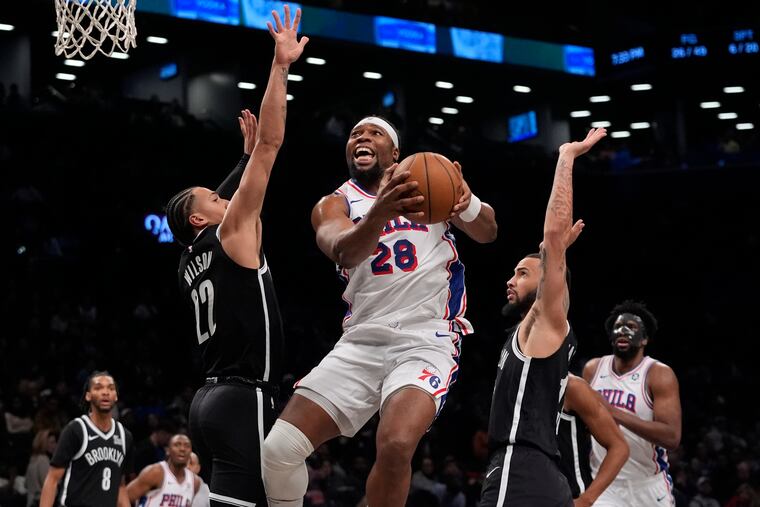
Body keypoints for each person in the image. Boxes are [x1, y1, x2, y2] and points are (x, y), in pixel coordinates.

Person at [261, 113, 498, 506]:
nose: (361, 138)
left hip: (425, 338)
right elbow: (343, 249)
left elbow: (488, 231)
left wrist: (467, 200)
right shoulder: (334, 203)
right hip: (361, 341)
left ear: (395, 153)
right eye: (355, 134)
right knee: (278, 451)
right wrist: (380, 212)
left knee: (397, 442)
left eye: (374, 133)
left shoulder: (429, 188)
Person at [164, 7, 308, 507]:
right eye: (215, 197)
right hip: (246, 396)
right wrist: (280, 64)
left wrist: (239, 164)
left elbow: (213, 206)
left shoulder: (189, 257)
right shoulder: (231, 233)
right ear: (204, 219)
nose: (226, 196)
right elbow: (271, 143)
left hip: (207, 401)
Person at [480, 128, 607, 507]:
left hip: (520, 469)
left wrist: (566, 156)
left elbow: (552, 237)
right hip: (539, 473)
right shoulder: (531, 331)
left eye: (522, 272)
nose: (510, 279)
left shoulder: (546, 324)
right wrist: (552, 252)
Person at [583, 300, 682, 506]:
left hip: (648, 485)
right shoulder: (593, 369)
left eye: (632, 327)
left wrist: (613, 413)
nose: (623, 331)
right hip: (605, 484)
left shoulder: (658, 374)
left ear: (644, 339)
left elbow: (671, 437)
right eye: (618, 327)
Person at [39, 371, 134, 507]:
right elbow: (52, 479)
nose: (105, 392)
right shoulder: (76, 430)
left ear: (116, 396)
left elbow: (120, 486)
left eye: (110, 388)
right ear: (88, 396)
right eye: (98, 388)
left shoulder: (125, 436)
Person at [557, 374, 629, 506]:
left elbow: (619, 446)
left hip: (570, 496)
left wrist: (586, 500)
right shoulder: (513, 384)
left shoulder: (572, 386)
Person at [126, 434, 200, 506]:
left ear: (191, 451)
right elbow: (124, 498)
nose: (182, 449)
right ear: (168, 450)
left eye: (187, 446)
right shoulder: (155, 472)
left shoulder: (195, 482)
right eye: (177, 445)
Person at [25, 429, 58, 507]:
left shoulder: (33, 459)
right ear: (43, 443)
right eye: (52, 442)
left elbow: (26, 484)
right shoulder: (43, 460)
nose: (55, 445)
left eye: (55, 442)